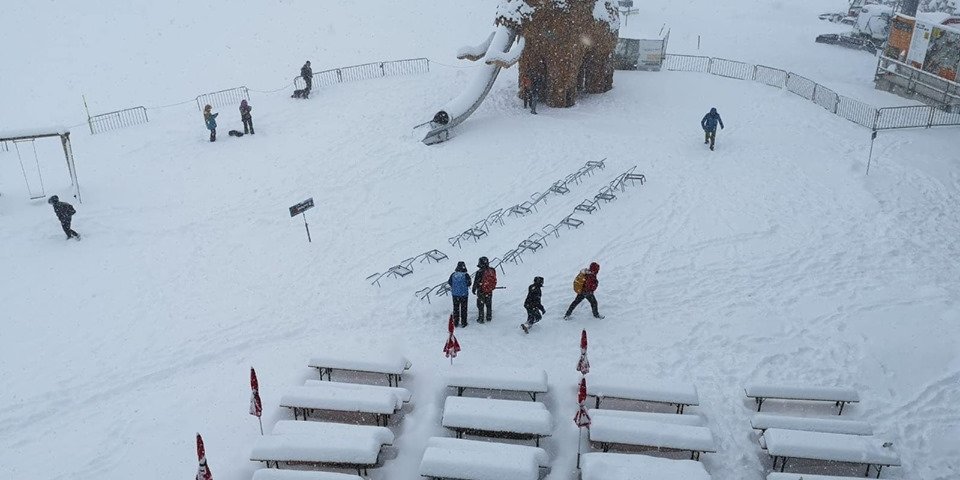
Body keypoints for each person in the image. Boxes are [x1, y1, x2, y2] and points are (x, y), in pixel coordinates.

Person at [472, 256, 498, 324]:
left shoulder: (479, 272)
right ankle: (489, 317)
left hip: (481, 290)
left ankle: (481, 318)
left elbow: (476, 282)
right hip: (489, 290)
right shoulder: (492, 270)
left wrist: (474, 289)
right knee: (489, 304)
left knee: (480, 305)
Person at [448, 261, 472, 328]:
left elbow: (449, 282)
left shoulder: (453, 274)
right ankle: (464, 322)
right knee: (464, 309)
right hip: (464, 295)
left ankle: (455, 322)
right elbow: (469, 283)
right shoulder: (466, 275)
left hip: (455, 294)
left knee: (456, 308)